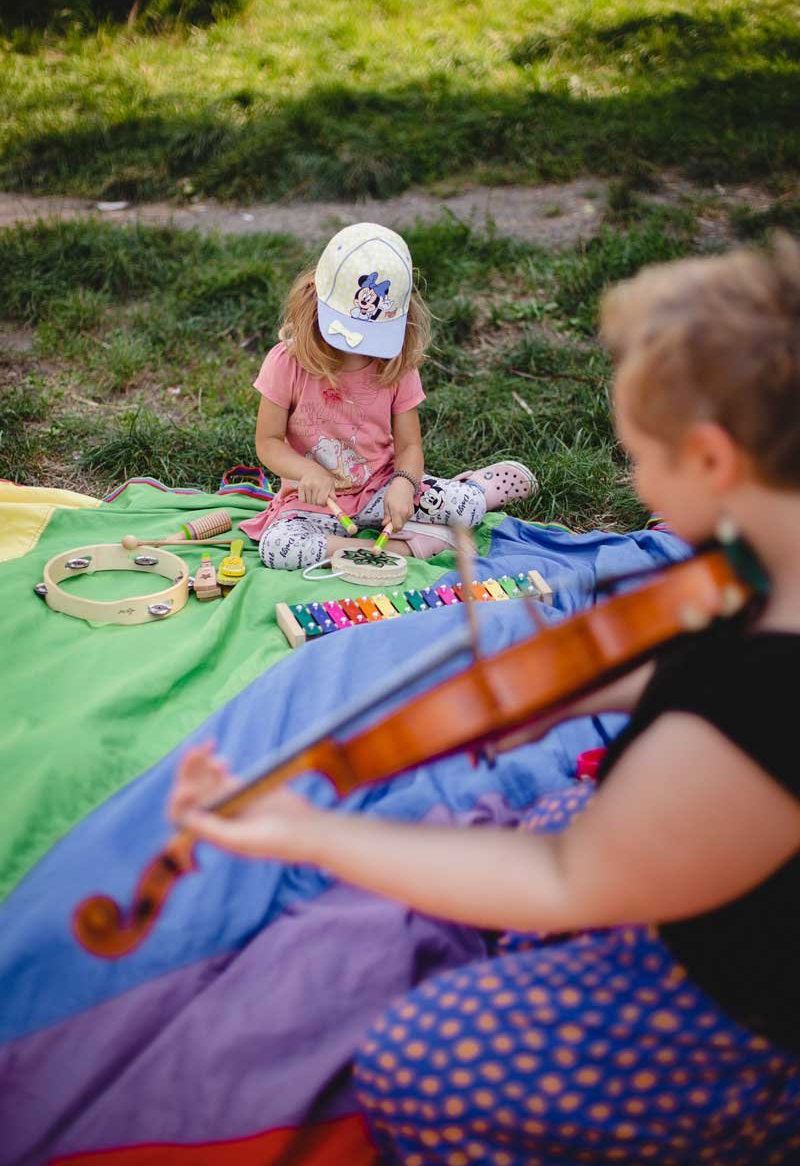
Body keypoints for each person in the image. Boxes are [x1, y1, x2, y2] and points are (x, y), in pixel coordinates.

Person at [171, 235, 800, 1163]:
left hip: (750, 1012)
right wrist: (570, 687)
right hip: (722, 871)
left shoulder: (761, 707)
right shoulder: (758, 567)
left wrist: (308, 831)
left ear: (711, 459)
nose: (635, 483)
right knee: (532, 816)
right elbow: (693, 659)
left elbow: (566, 878)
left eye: (638, 458)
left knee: (411, 1059)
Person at [237, 221, 536, 569]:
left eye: (371, 337)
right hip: (314, 502)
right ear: (313, 298)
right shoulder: (286, 362)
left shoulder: (396, 365)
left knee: (466, 508)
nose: (358, 348)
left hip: (381, 488)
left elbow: (409, 447)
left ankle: (476, 489)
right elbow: (268, 441)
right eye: (347, 333)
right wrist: (306, 472)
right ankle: (404, 547)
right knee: (278, 548)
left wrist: (404, 485)